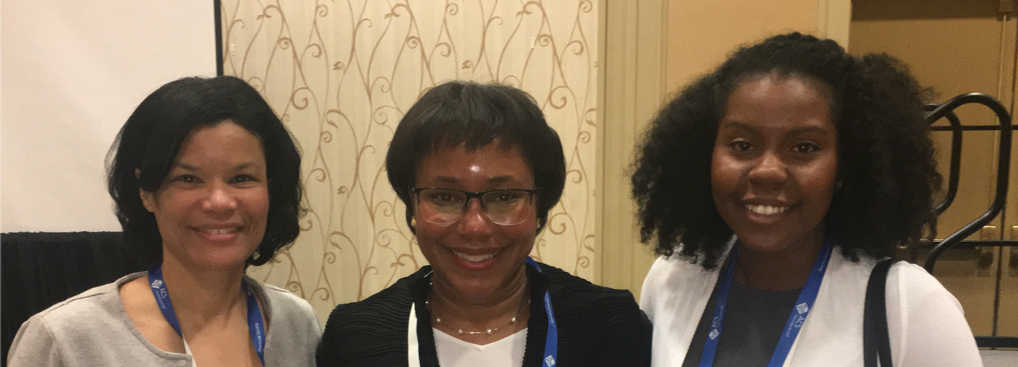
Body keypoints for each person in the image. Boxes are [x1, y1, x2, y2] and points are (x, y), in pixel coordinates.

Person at [632, 33, 981, 367]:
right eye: (741, 145)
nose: (767, 171)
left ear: (846, 164)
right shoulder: (671, 281)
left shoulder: (909, 306)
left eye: (804, 148)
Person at [316, 81, 652, 367]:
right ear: (412, 203)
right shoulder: (355, 338)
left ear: (540, 204)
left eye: (504, 197)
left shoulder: (610, 327)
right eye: (444, 197)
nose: (474, 227)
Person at [7, 76, 322, 366]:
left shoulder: (295, 322)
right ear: (146, 192)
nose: (219, 202)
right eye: (188, 178)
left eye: (241, 178)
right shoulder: (65, 338)